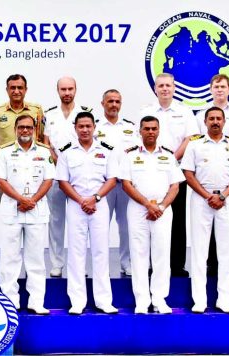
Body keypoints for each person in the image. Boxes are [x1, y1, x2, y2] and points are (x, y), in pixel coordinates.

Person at [180, 107, 229, 314]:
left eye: (219, 118)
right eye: (211, 119)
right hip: (202, 199)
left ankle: (224, 299)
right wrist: (207, 195)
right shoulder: (195, 145)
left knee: (226, 251)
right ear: (205, 122)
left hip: (226, 199)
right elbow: (188, 173)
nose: (215, 122)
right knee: (199, 251)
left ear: (224, 121)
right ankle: (199, 299)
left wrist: (223, 195)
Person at [117, 116, 183, 314]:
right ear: (140, 131)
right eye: (146, 128)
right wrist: (147, 204)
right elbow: (126, 185)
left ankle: (160, 299)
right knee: (139, 254)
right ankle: (142, 300)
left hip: (162, 210)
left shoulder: (169, 156)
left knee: (162, 254)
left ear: (159, 130)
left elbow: (175, 186)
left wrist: (161, 206)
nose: (151, 132)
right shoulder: (129, 155)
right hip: (139, 210)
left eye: (154, 128)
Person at [0, 114, 53, 314]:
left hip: (36, 210)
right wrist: (20, 199)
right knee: (10, 259)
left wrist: (31, 200)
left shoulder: (44, 151)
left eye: (28, 127)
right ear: (16, 129)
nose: (25, 131)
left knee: (36, 260)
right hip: (13, 210)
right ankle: (10, 301)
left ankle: (36, 302)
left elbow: (48, 180)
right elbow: (1, 180)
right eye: (21, 127)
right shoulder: (5, 152)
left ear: (34, 129)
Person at [56, 111, 118, 315]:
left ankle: (103, 301)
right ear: (75, 128)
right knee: (76, 253)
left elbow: (112, 179)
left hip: (99, 204)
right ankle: (77, 301)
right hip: (76, 204)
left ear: (94, 127)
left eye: (88, 126)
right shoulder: (66, 152)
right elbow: (63, 182)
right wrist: (81, 200)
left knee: (101, 252)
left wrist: (95, 198)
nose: (84, 130)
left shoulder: (107, 150)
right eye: (80, 126)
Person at [138, 73, 198, 277]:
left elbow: (190, 138)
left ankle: (177, 264)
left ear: (174, 88)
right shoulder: (146, 111)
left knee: (177, 218)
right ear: (155, 88)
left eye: (168, 85)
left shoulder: (184, 111)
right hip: (150, 171)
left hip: (175, 171)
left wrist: (171, 158)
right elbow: (140, 139)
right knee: (151, 216)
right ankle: (152, 264)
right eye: (161, 85)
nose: (165, 89)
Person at [43, 76, 90, 277]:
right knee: (56, 220)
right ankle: (56, 263)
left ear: (76, 89)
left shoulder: (85, 113)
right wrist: (55, 159)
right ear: (58, 91)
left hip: (77, 175)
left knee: (79, 222)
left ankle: (78, 264)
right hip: (54, 173)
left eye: (70, 88)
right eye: (63, 89)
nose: (67, 92)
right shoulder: (50, 114)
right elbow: (45, 141)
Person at [97, 89, 139, 276]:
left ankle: (126, 263)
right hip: (103, 185)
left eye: (117, 101)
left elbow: (137, 154)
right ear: (102, 103)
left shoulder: (130, 128)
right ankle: (101, 265)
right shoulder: (95, 128)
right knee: (100, 227)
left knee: (126, 226)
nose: (114, 105)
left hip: (124, 185)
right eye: (110, 101)